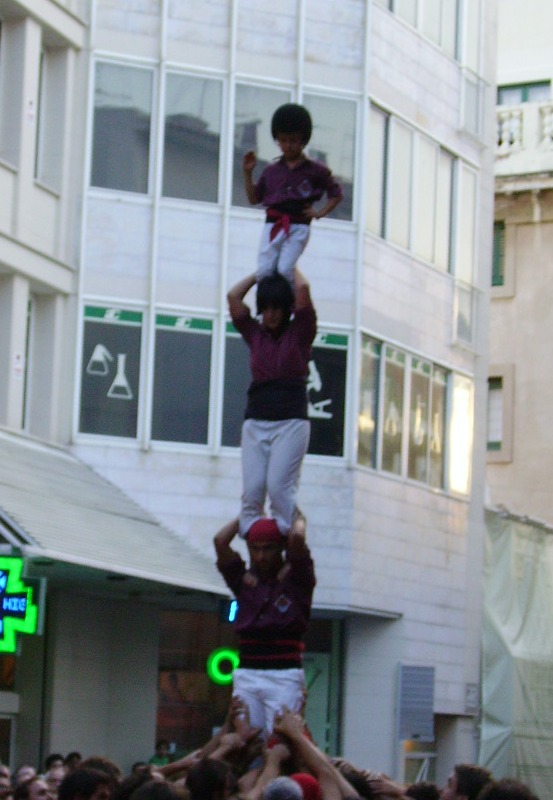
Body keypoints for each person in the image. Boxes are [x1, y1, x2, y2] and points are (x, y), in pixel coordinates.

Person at [227, 269, 316, 538]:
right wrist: (260, 273)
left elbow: (303, 290)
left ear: (287, 309)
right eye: (266, 308)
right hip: (256, 420)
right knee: (253, 490)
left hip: (290, 421)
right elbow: (233, 297)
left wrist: (288, 268)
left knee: (279, 488)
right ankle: (257, 548)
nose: (272, 314)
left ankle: (292, 538)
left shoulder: (300, 332)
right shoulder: (254, 334)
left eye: (277, 308)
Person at [214, 514, 315, 735]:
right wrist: (248, 514)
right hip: (247, 672)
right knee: (244, 740)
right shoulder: (243, 580)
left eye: (268, 548)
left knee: (282, 739)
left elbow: (297, 537)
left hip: (284, 675)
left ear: (281, 547)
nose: (261, 556)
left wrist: (296, 517)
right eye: (255, 549)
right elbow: (220, 541)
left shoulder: (298, 578)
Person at [242, 103, 343, 288]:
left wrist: (319, 213)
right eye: (284, 140)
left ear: (303, 141)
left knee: (285, 269)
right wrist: (248, 173)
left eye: (293, 141)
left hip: (298, 224)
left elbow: (336, 194)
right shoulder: (271, 171)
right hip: (274, 222)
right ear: (278, 140)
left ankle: (287, 307)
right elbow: (254, 198)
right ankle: (265, 307)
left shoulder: (316, 170)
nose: (288, 146)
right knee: (264, 270)